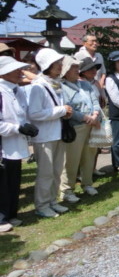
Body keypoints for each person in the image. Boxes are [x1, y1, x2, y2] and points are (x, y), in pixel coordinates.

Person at [28, 49, 73, 217]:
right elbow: (34, 113)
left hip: (57, 133)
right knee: (45, 173)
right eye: (57, 63)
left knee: (56, 171)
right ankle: (42, 205)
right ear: (48, 65)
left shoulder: (55, 83)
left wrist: (65, 112)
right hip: (44, 136)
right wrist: (61, 110)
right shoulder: (38, 86)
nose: (61, 66)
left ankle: (53, 201)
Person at [0, 56, 39, 231]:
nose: (20, 72)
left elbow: (23, 114)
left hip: (16, 143)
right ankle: (1, 218)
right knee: (2, 182)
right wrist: (18, 128)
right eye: (14, 69)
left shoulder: (18, 90)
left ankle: (11, 214)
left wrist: (27, 127)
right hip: (3, 145)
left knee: (13, 180)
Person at [60, 56, 103, 200]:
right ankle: (67, 190)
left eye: (77, 67)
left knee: (89, 157)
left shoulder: (85, 84)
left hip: (91, 126)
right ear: (66, 70)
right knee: (71, 160)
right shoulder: (62, 87)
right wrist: (86, 118)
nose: (77, 70)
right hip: (76, 127)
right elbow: (69, 109)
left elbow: (95, 101)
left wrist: (95, 115)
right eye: (73, 67)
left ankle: (87, 183)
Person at [74, 33, 106, 106]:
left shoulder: (99, 56)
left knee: (100, 105)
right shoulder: (79, 55)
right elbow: (75, 72)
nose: (95, 43)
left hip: (98, 85)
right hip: (83, 87)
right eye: (92, 41)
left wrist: (101, 84)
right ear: (84, 43)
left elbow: (103, 71)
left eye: (96, 41)